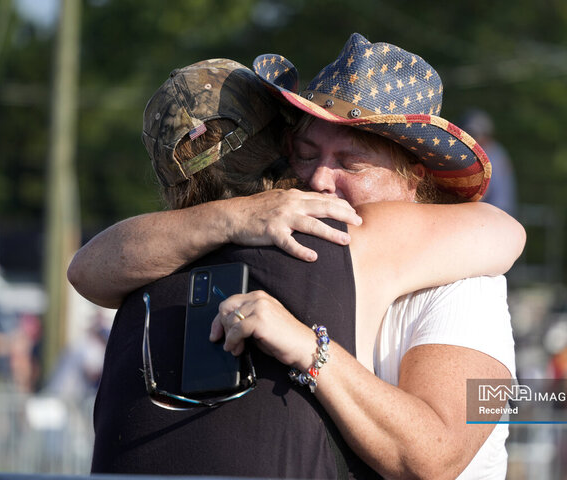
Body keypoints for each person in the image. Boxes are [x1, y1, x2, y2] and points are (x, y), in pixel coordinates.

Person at [72, 34, 524, 479]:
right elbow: (87, 269)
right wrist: (237, 216)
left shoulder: (469, 284)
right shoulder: (273, 240)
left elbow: (437, 457)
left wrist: (310, 349)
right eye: (306, 154)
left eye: (351, 163)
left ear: (413, 178)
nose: (320, 180)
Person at [460, 109, 517, 217]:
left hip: (493, 215)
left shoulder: (490, 156)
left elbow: (481, 194)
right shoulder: (497, 151)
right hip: (499, 214)